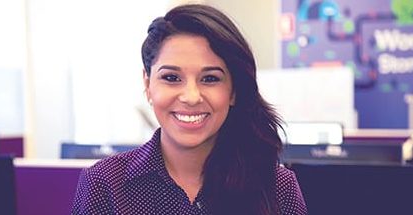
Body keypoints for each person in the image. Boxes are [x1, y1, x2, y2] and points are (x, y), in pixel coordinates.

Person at [72, 4, 307, 215]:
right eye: (172, 77)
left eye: (210, 78)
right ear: (148, 84)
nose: (191, 97)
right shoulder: (105, 183)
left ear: (233, 91)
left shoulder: (277, 186)